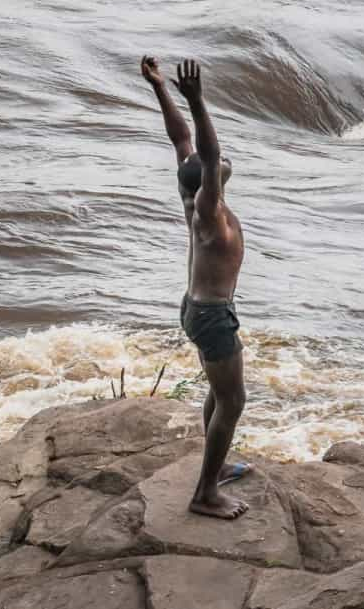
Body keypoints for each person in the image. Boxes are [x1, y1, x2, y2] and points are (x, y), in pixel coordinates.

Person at [142, 55, 251, 519]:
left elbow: (181, 139)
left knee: (218, 392)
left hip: (197, 307)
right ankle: (206, 493)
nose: (222, 160)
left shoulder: (191, 193)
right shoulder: (209, 211)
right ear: (209, 178)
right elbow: (205, 152)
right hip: (210, 315)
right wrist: (199, 99)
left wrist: (160, 88)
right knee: (233, 399)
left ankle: (216, 466)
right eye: (218, 162)